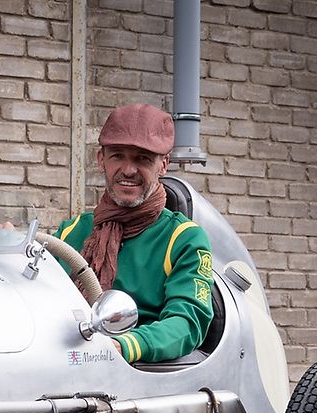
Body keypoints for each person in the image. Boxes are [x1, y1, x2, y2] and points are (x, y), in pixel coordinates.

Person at [55, 104, 214, 364]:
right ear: (100, 160)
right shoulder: (69, 233)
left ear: (163, 165)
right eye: (117, 156)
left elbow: (188, 322)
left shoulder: (184, 238)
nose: (128, 170)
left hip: (136, 382)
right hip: (62, 367)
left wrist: (123, 346)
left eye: (142, 158)